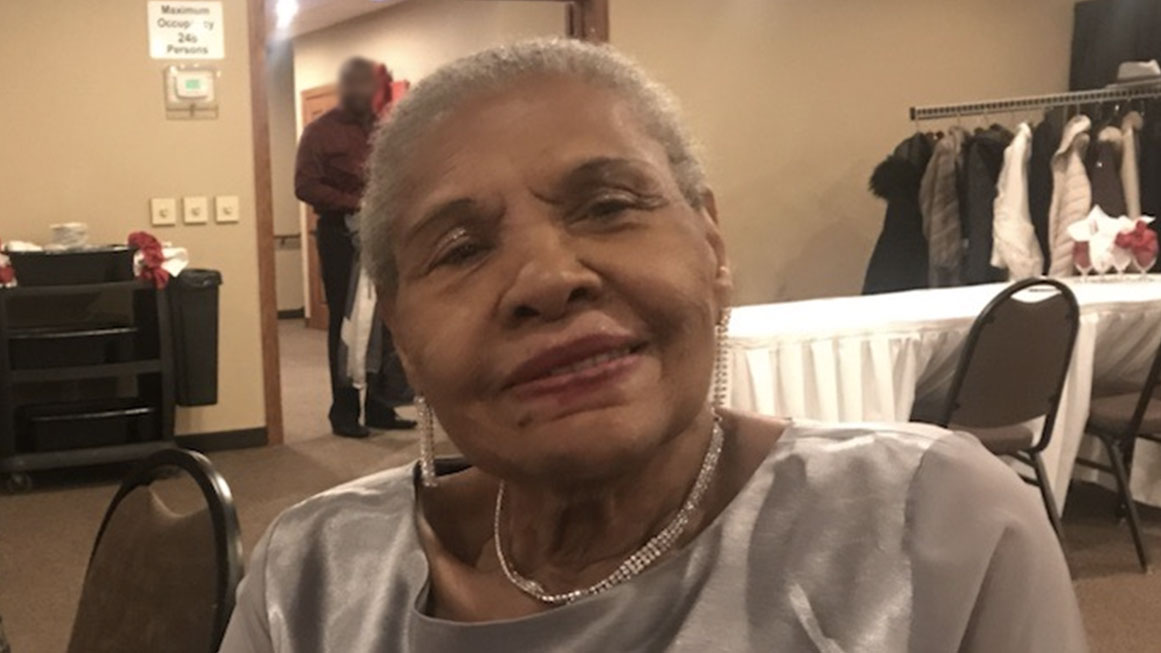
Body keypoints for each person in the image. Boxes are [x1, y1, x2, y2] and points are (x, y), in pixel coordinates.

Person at [222, 39, 1087, 651]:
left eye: (607, 206)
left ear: (711, 244)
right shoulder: (313, 576)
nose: (546, 278)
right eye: (459, 249)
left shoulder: (929, 529)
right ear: (401, 336)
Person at [295, 56, 415, 437]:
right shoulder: (320, 132)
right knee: (347, 320)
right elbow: (305, 185)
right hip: (340, 236)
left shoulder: (385, 129)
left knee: (387, 316)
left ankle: (380, 406)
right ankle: (344, 412)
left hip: (383, 231)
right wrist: (355, 204)